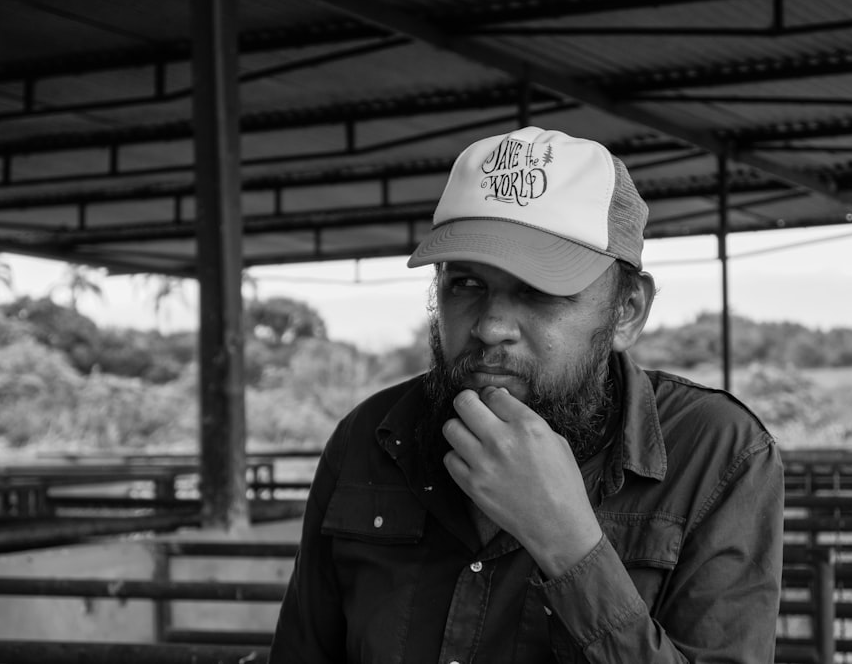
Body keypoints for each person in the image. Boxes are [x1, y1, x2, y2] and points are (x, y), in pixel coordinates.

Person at [269, 126, 784, 663]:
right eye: (466, 283)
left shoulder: (718, 452)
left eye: (540, 290)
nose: (491, 326)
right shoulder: (371, 437)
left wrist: (569, 547)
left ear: (626, 310)